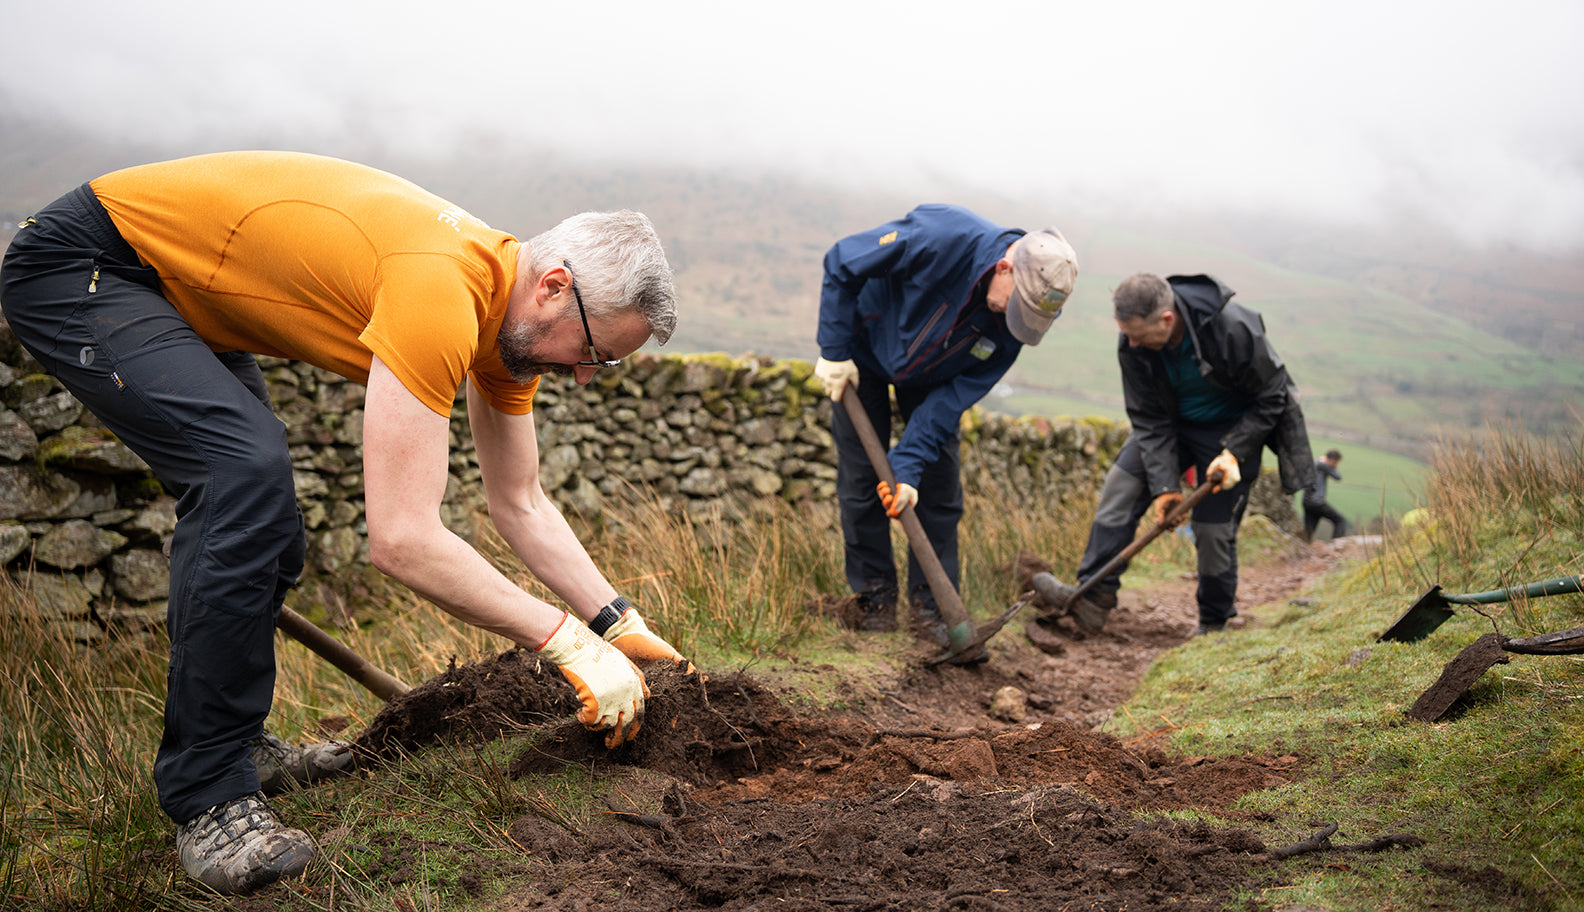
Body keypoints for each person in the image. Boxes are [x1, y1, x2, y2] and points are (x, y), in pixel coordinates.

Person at [0, 151, 690, 894]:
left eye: (604, 366)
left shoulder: (507, 322)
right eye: (592, 352)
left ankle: (238, 745)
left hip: (171, 295)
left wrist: (615, 620)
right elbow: (402, 540)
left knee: (266, 516)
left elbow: (519, 501)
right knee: (242, 478)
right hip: (87, 265)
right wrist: (569, 645)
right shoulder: (440, 289)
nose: (586, 375)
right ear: (554, 285)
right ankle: (210, 798)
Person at [812, 204, 1078, 645]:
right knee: (862, 483)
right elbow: (843, 260)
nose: (1016, 322)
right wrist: (835, 349)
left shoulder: (1016, 327)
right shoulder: (940, 236)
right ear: (1004, 266)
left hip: (935, 381)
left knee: (937, 491)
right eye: (1016, 306)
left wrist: (909, 466)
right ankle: (874, 604)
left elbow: (953, 399)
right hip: (864, 353)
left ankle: (931, 612)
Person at [1035, 273, 1314, 637]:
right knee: (1121, 488)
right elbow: (1149, 419)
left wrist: (1235, 451)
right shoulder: (1132, 343)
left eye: (1138, 334)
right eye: (1126, 334)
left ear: (1166, 319)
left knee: (1213, 530)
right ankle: (1092, 599)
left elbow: (1273, 396)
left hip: (1232, 431)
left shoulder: (1233, 327)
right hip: (1169, 427)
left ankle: (1213, 624)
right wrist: (1166, 486)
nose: (1130, 343)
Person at [1303, 449, 1347, 540]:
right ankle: (1337, 544)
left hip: (1307, 502)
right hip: (1317, 503)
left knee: (1309, 531)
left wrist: (1326, 464)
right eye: (1336, 463)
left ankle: (1304, 547)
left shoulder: (1316, 464)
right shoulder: (1322, 466)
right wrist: (1326, 464)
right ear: (1332, 460)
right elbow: (1338, 477)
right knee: (1340, 521)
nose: (1335, 466)